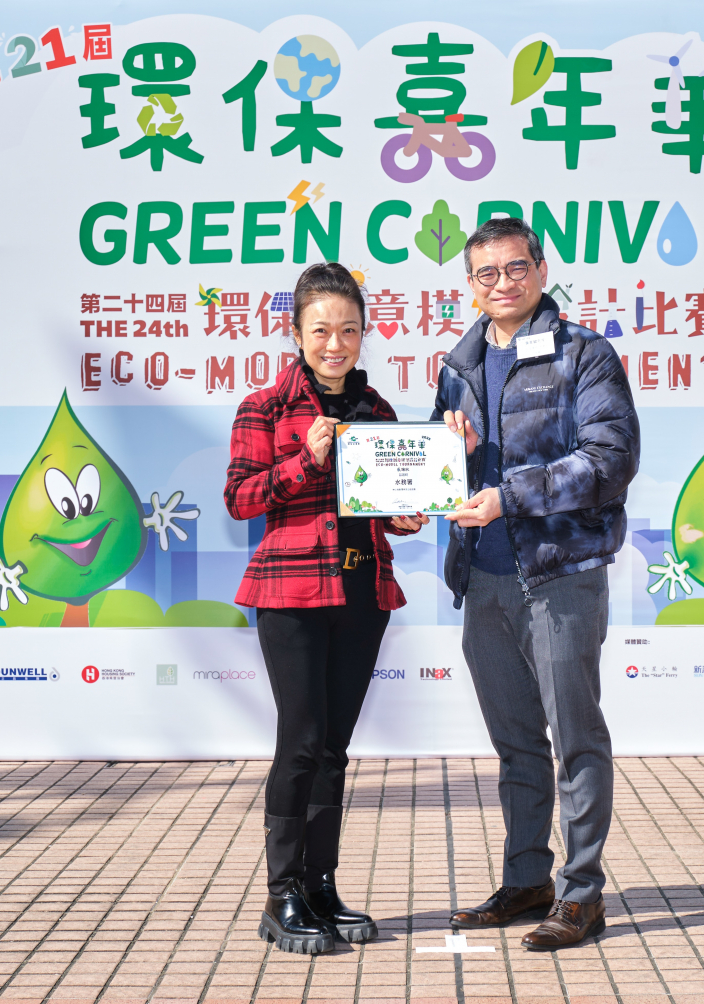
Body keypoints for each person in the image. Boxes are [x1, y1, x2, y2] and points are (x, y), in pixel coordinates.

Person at [432, 217, 639, 950]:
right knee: (516, 743)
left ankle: (582, 895)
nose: (503, 283)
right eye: (486, 273)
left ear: (541, 270)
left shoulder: (585, 354)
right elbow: (438, 464)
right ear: (470, 284)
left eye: (516, 268)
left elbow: (610, 460)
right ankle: (527, 880)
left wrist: (509, 495)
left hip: (560, 576)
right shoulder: (457, 365)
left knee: (576, 739)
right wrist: (447, 465)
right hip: (483, 577)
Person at [225, 262, 429, 954]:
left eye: (348, 330)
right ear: (296, 333)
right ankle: (281, 893)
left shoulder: (377, 412)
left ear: (364, 333)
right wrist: (305, 462)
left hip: (363, 591)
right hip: (291, 594)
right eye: (320, 330)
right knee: (301, 742)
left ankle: (320, 886)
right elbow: (240, 499)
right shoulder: (264, 408)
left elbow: (385, 502)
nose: (335, 343)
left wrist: (401, 517)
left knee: (335, 749)